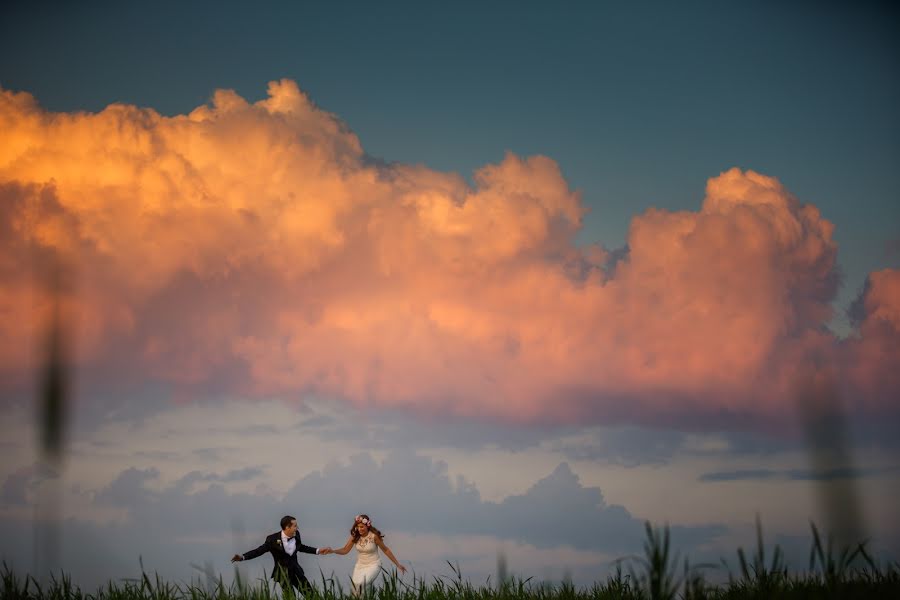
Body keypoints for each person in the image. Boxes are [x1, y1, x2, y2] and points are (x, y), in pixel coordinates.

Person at [231, 515, 332, 595]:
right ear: (287, 527)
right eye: (295, 526)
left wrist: (318, 550)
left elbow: (301, 547)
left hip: (297, 571)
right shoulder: (272, 539)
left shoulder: (296, 535)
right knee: (290, 597)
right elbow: (259, 551)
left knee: (311, 595)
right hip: (282, 574)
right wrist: (243, 557)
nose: (297, 528)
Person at [329, 514, 406, 595]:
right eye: (358, 527)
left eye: (362, 527)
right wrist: (333, 551)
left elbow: (386, 550)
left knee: (362, 584)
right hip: (359, 566)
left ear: (367, 526)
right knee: (355, 589)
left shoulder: (374, 536)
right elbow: (345, 550)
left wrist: (398, 564)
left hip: (374, 565)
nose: (359, 529)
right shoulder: (355, 536)